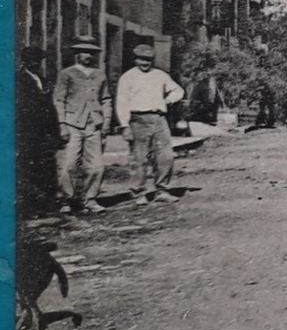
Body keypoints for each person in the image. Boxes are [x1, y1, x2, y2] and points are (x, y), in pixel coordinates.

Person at [115, 42, 186, 204]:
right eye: (141, 59)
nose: (144, 63)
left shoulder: (160, 75)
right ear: (135, 60)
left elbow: (179, 91)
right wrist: (125, 125)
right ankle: (138, 193)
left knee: (165, 156)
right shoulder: (127, 77)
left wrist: (167, 101)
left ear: (152, 60)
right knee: (139, 158)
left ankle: (161, 190)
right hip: (138, 119)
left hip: (159, 119)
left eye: (148, 60)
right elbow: (122, 102)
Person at [53, 37, 112, 214]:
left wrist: (106, 121)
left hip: (94, 124)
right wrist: (62, 124)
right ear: (77, 54)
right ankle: (66, 199)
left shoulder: (99, 74)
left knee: (96, 165)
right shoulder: (67, 74)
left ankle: (90, 199)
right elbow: (59, 100)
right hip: (72, 123)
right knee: (69, 164)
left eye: (91, 52)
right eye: (84, 52)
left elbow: (106, 99)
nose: (88, 55)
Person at [17, 46, 63, 219]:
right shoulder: (18, 80)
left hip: (45, 133)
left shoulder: (43, 80)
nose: (35, 63)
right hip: (27, 132)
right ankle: (29, 208)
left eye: (38, 60)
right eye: (32, 60)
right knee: (28, 170)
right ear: (25, 61)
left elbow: (50, 108)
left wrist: (55, 132)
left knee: (46, 168)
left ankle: (46, 205)